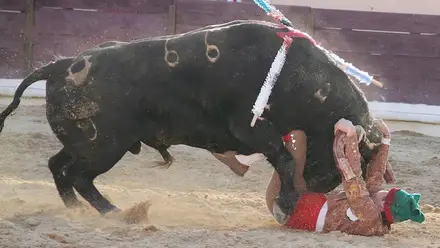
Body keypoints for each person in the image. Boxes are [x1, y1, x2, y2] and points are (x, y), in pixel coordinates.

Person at [264, 118, 425, 236]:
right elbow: (375, 177)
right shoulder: (377, 218)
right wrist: (386, 141)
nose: (383, 191)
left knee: (290, 157)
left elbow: (353, 177)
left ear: (384, 204)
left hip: (294, 211)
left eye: (386, 194)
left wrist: (351, 137)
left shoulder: (367, 212)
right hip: (310, 206)